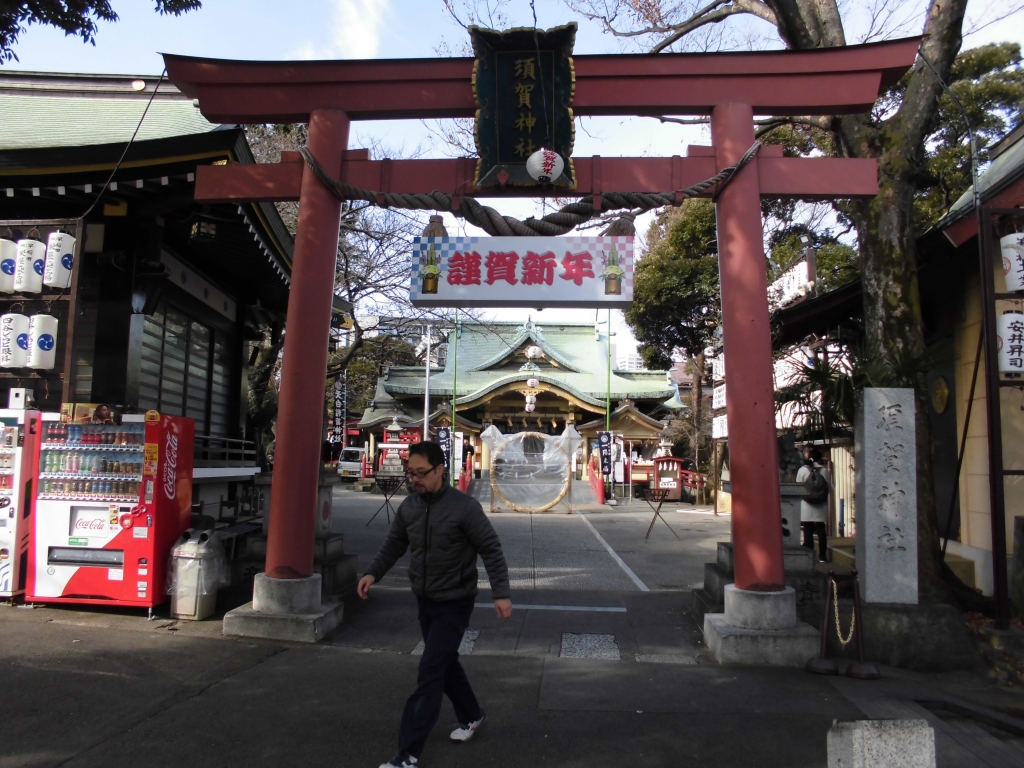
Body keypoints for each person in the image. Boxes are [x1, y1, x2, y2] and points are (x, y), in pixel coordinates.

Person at [358, 441, 512, 768]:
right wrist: (373, 572)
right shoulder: (410, 506)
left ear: (441, 470)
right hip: (424, 599)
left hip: (455, 602)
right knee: (444, 662)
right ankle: (472, 715)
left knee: (429, 672)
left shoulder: (465, 508)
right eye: (410, 473)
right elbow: (394, 544)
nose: (415, 479)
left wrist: (501, 593)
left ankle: (408, 754)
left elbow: (491, 549)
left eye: (421, 473)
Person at [796, 447, 833, 562]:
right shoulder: (824, 470)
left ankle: (809, 554)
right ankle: (822, 555)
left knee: (808, 529)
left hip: (806, 504)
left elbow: (798, 487)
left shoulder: (802, 470)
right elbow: (830, 488)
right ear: (820, 458)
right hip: (820, 505)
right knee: (821, 529)